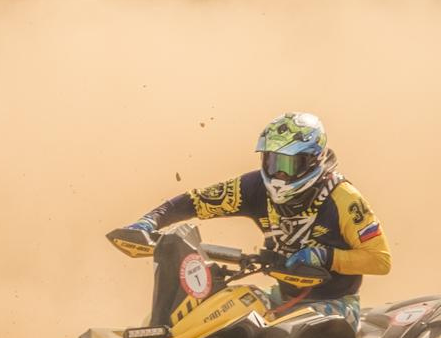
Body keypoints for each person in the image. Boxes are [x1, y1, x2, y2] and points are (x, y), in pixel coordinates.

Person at [109, 112, 389, 323]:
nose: (279, 173)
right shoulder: (255, 187)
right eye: (272, 161)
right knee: (207, 319)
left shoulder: (344, 198)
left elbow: (380, 259)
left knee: (288, 336)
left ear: (313, 160)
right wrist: (149, 222)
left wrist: (325, 257)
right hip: (281, 296)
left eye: (289, 164)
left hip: (335, 306)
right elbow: (196, 201)